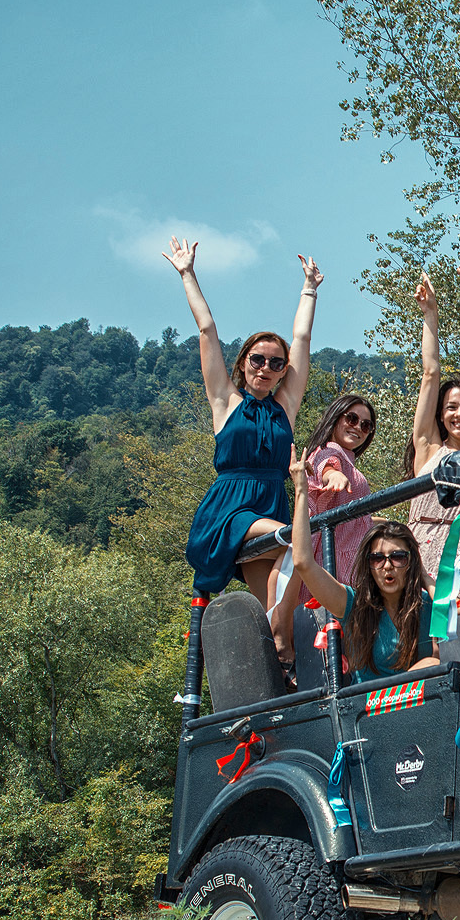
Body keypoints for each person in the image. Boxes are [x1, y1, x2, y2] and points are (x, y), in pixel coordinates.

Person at [171, 237, 318, 681]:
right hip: (233, 506)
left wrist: (309, 290)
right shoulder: (225, 401)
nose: (267, 368)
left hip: (272, 496)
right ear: (243, 362)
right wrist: (187, 274)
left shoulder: (284, 405)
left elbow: (302, 337)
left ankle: (278, 675)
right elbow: (207, 331)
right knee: (296, 540)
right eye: (258, 359)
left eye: (277, 364)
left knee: (276, 623)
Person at [289, 454, 439, 681]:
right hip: (371, 710)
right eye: (377, 558)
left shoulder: (425, 603)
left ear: (411, 562)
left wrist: (425, 580)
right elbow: (303, 563)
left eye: (398, 557)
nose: (387, 565)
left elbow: (444, 653)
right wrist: (301, 491)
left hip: (428, 706)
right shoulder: (353, 605)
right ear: (368, 565)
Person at [402, 267, 460, 617]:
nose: (459, 414)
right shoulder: (428, 449)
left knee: (454, 644)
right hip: (415, 554)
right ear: (441, 414)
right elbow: (430, 374)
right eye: (452, 407)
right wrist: (430, 315)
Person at [290, 391, 379, 620]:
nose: (358, 427)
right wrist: (334, 476)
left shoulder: (347, 457)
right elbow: (325, 466)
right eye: (351, 418)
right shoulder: (330, 449)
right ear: (335, 418)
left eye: (366, 425)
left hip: (347, 559)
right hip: (336, 563)